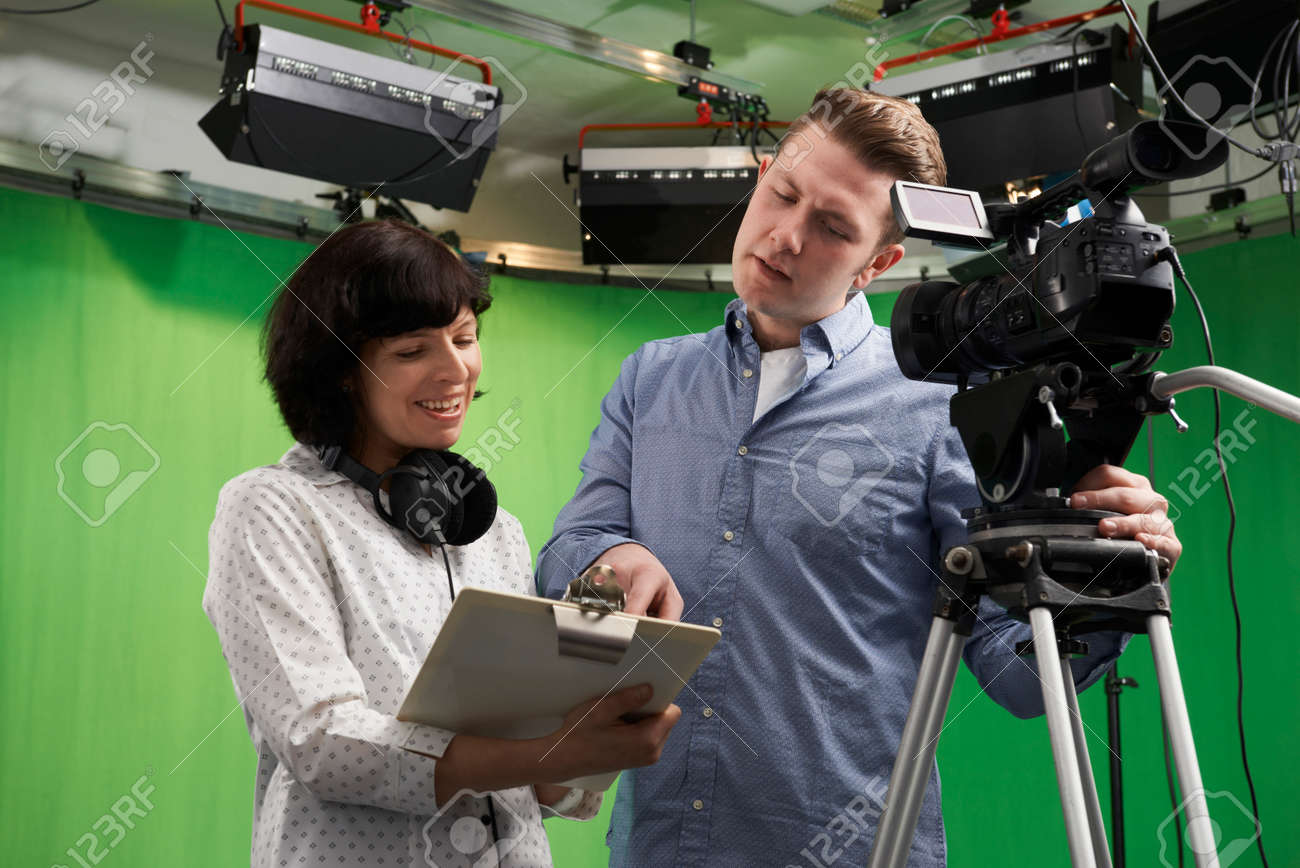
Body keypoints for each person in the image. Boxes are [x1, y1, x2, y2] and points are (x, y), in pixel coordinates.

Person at [536, 88, 1182, 866]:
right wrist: (607, 563)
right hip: (660, 847)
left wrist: (1101, 584)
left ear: (878, 263)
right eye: (782, 195)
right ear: (763, 176)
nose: (784, 236)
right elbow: (569, 549)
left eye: (832, 228)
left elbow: (1013, 674)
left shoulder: (947, 406)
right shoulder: (651, 380)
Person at [202, 219, 682, 868]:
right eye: (412, 351)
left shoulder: (495, 530)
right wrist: (549, 751)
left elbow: (542, 785)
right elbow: (321, 743)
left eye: (465, 338)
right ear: (342, 370)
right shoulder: (272, 509)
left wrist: (593, 731)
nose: (455, 368)